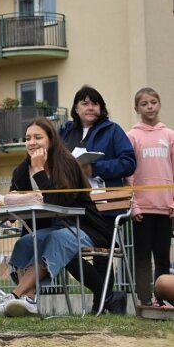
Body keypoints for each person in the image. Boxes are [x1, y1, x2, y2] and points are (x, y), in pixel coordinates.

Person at [0, 118, 111, 317]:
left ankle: (13, 296)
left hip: (85, 227)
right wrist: (4, 205)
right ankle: (29, 300)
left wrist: (40, 172)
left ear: (50, 140)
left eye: (38, 137)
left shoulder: (67, 163)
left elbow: (59, 202)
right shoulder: (21, 170)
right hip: (53, 227)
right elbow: (15, 198)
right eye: (27, 138)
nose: (31, 142)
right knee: (25, 242)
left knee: (57, 239)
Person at [60, 85, 136, 314]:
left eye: (95, 103)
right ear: (75, 108)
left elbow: (129, 162)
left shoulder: (112, 130)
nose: (90, 107)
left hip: (106, 206)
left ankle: (99, 305)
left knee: (103, 256)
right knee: (63, 247)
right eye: (84, 103)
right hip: (74, 204)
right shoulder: (64, 132)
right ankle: (108, 297)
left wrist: (96, 168)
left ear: (101, 108)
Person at [126, 87, 174, 306]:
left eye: (153, 102)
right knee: (143, 256)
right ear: (137, 108)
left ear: (159, 104)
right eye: (144, 104)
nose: (150, 107)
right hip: (142, 210)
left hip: (166, 208)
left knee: (163, 256)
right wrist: (133, 205)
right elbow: (128, 175)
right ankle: (144, 300)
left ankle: (163, 299)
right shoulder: (132, 136)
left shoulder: (169, 135)